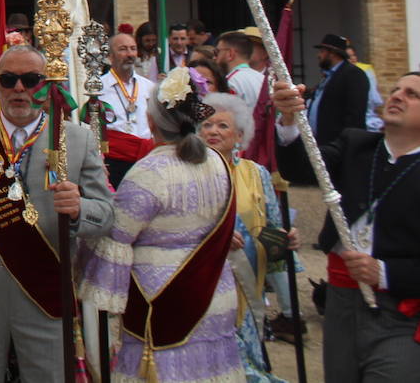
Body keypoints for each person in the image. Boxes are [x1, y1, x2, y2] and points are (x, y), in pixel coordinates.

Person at [0, 45, 115, 383]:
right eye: (8, 80)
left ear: (46, 85)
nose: (19, 89)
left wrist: (79, 210)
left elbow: (106, 215)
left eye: (30, 80)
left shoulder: (76, 140)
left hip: (46, 290)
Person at [79, 68, 242, 382]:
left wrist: (82, 227)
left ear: (151, 121)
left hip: (162, 304)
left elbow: (115, 239)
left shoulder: (149, 173)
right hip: (214, 294)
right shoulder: (218, 162)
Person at [273, 71, 420, 381]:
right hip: (340, 303)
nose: (397, 95)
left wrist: (385, 272)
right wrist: (289, 119)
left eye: (412, 94)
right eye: (396, 89)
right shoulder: (356, 143)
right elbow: (301, 168)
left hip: (400, 312)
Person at [200, 92, 299, 383]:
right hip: (206, 284)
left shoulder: (256, 174)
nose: (213, 131)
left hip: (248, 281)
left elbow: (272, 227)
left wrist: (286, 240)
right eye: (207, 125)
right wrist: (215, 236)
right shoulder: (189, 173)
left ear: (240, 136)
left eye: (222, 126)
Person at [98, 31, 157, 187]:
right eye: (123, 49)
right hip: (114, 159)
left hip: (146, 157)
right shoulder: (98, 88)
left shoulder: (149, 87)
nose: (130, 54)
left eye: (133, 48)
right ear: (110, 56)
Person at [218, 31, 266, 102]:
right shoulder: (263, 79)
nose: (215, 57)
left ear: (230, 54)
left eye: (217, 51)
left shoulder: (231, 81)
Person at [348, 43, 386, 133]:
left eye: (353, 55)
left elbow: (374, 97)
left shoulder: (365, 70)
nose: (352, 58)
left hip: (367, 115)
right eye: (349, 56)